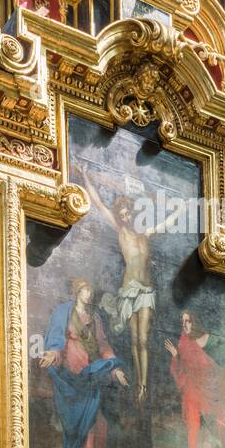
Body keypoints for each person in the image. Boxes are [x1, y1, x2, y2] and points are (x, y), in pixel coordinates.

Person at [78, 165, 181, 402]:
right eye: (122, 214)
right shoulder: (120, 232)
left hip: (145, 292)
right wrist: (85, 175)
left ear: (133, 214)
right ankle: (138, 383)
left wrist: (180, 209)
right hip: (128, 291)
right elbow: (99, 204)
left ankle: (144, 384)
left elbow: (166, 224)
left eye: (127, 213)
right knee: (134, 339)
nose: (125, 217)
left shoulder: (144, 234)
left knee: (143, 339)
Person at [38, 279, 129, 448]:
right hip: (71, 376)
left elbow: (103, 346)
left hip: (90, 375)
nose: (89, 293)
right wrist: (53, 354)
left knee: (98, 423)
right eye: (86, 289)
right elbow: (56, 339)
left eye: (91, 289)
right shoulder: (64, 312)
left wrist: (115, 369)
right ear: (77, 291)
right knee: (79, 424)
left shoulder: (95, 318)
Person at [165, 310, 225, 448]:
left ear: (195, 322)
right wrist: (176, 356)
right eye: (183, 321)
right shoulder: (183, 343)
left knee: (214, 427)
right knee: (195, 430)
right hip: (192, 393)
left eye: (188, 321)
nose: (185, 325)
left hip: (209, 392)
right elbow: (179, 372)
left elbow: (219, 367)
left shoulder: (209, 340)